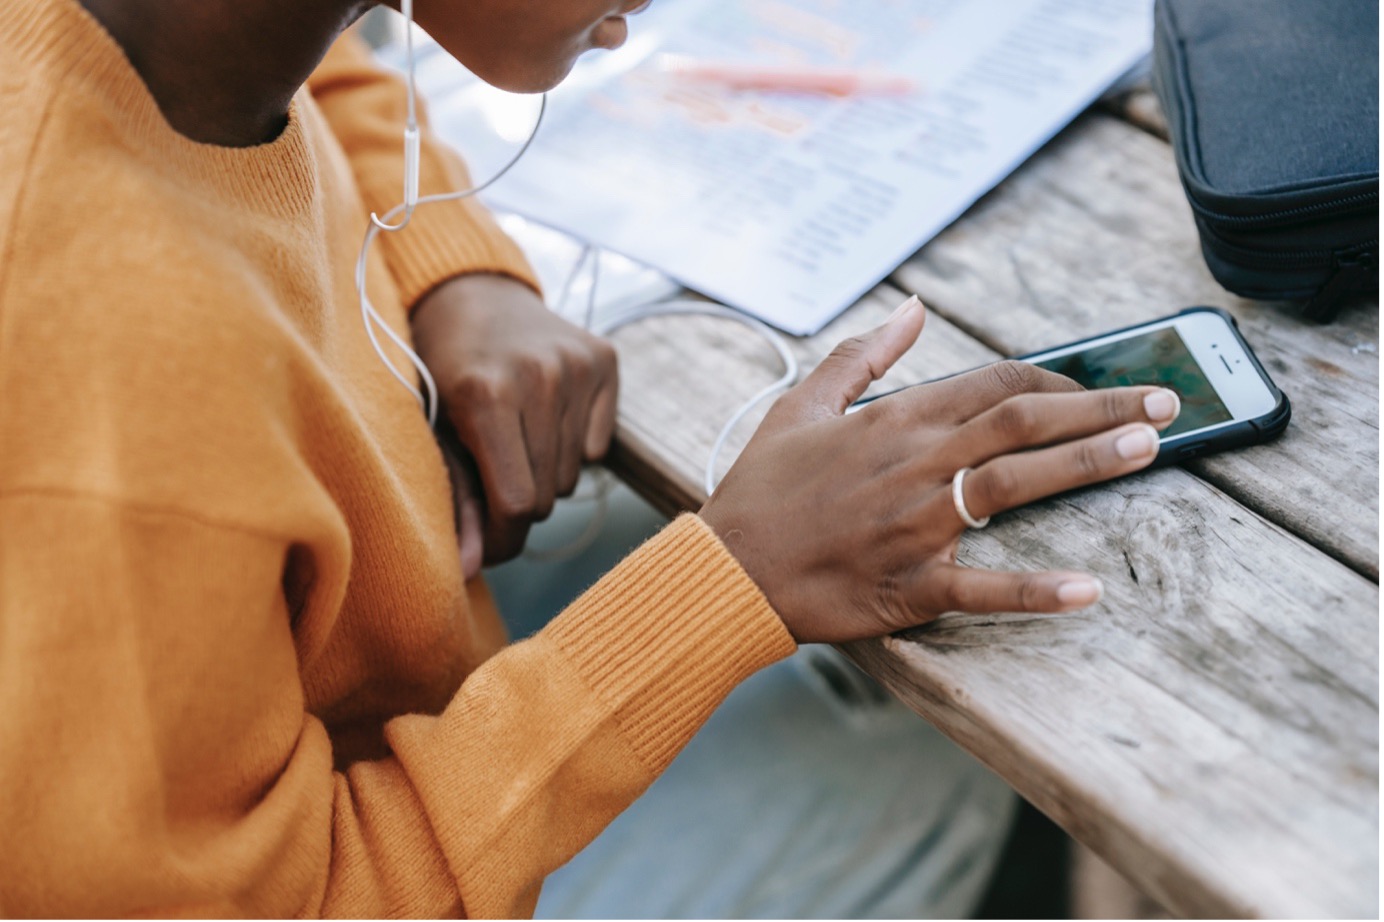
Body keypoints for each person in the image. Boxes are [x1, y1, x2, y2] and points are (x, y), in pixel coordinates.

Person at [0, 0, 1182, 917]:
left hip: (370, 626)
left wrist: (449, 264)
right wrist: (728, 585)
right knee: (922, 749)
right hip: (325, 854)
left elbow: (330, 64)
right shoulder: (100, 373)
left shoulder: (187, 41)